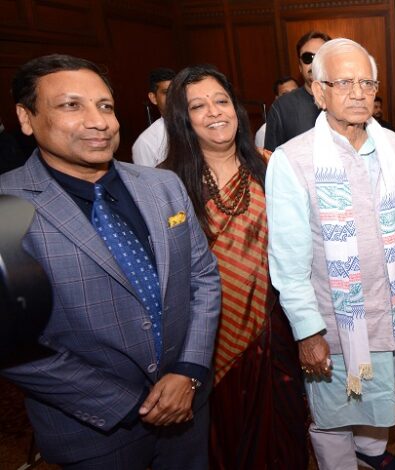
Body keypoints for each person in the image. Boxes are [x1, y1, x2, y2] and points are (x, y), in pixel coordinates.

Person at [0, 54, 221, 469]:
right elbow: (12, 346)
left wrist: (188, 370)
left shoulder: (163, 184)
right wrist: (132, 403)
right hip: (94, 431)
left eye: (105, 106)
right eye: (71, 105)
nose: (99, 121)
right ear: (26, 118)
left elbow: (203, 278)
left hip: (188, 409)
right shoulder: (5, 207)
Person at [266, 38, 395, 470]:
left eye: (367, 82)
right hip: (335, 322)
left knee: (380, 403)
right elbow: (288, 261)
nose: (358, 92)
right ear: (319, 92)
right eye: (344, 82)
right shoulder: (292, 160)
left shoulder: (393, 145)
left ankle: (371, 459)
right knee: (333, 416)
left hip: (391, 308)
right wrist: (307, 331)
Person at [161, 65, 308, 470]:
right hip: (208, 335)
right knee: (225, 436)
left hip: (275, 326)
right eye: (198, 106)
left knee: (284, 427)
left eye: (221, 101)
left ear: (237, 108)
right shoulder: (166, 184)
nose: (214, 112)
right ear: (182, 119)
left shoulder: (271, 166)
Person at [264, 31, 331, 152]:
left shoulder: (348, 99)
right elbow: (271, 160)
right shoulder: (282, 108)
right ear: (300, 67)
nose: (314, 62)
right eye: (308, 58)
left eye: (321, 56)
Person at [132, 67, 176, 167]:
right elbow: (147, 181)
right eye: (166, 92)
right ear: (153, 98)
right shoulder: (146, 143)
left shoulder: (199, 125)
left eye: (176, 91)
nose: (173, 97)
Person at [255, 76, 298, 150]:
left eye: (295, 92)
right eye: (286, 95)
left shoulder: (313, 119)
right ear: (277, 99)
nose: (291, 98)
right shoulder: (264, 132)